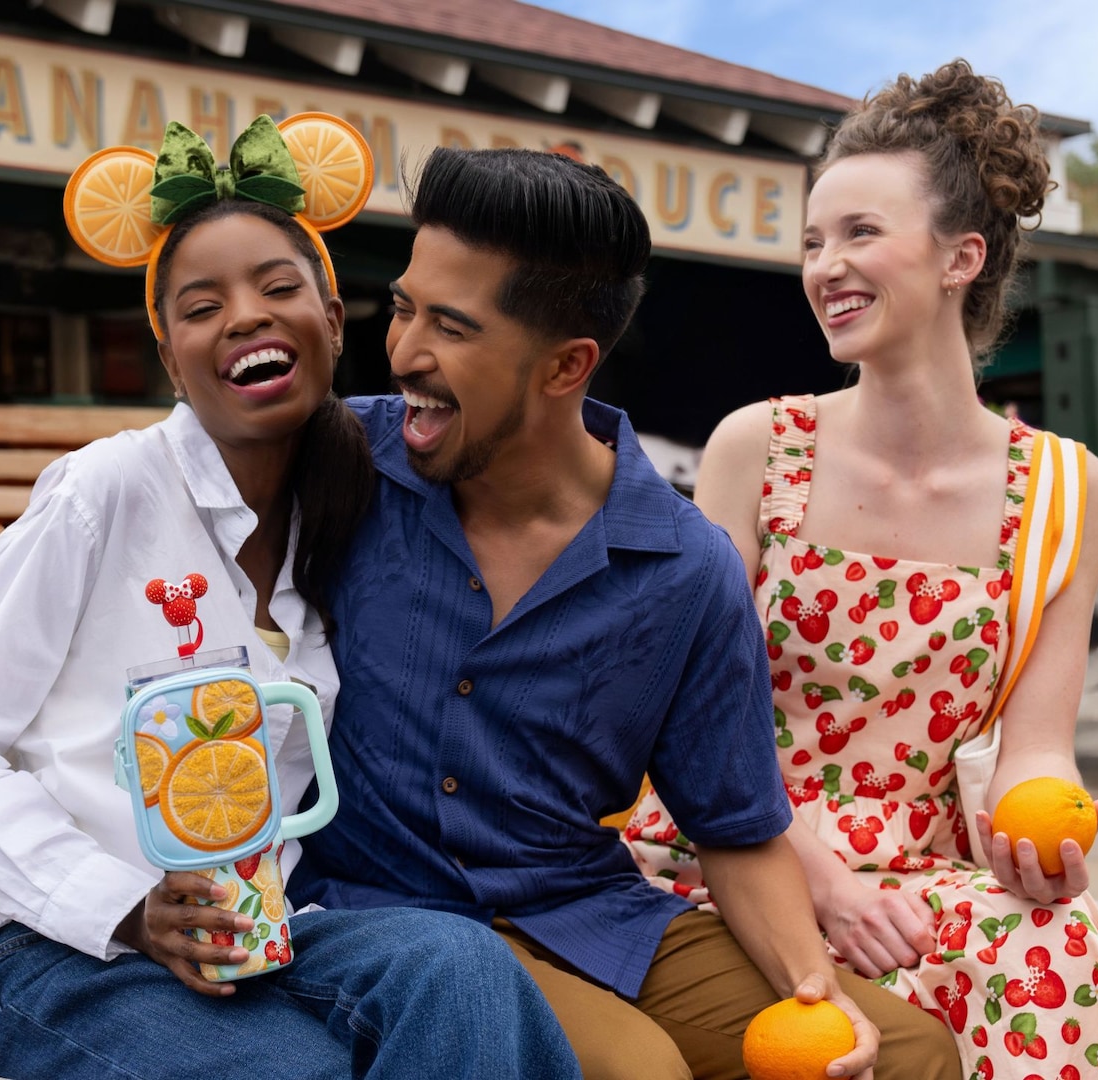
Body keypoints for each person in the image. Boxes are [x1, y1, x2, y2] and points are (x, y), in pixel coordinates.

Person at [0, 118, 580, 1080]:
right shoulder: (102, 495)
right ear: (172, 358)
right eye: (202, 307)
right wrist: (128, 905)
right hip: (48, 949)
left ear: (333, 324)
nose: (247, 316)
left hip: (254, 933)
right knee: (293, 1069)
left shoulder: (345, 513)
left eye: (279, 288)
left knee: (462, 971)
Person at [291, 146, 959, 1080]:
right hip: (375, 912)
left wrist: (819, 990)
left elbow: (737, 824)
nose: (404, 352)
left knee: (902, 1054)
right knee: (637, 1070)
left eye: (452, 326)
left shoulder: (685, 569)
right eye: (404, 308)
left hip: (585, 909)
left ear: (567, 366)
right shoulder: (340, 460)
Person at [623, 62, 1098, 1079]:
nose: (825, 266)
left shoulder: (1064, 489)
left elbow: (1037, 749)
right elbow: (682, 710)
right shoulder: (758, 449)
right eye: (814, 242)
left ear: (962, 256)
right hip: (735, 846)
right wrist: (816, 874)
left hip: (929, 861)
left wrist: (1043, 830)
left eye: (861, 234)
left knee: (1051, 946)